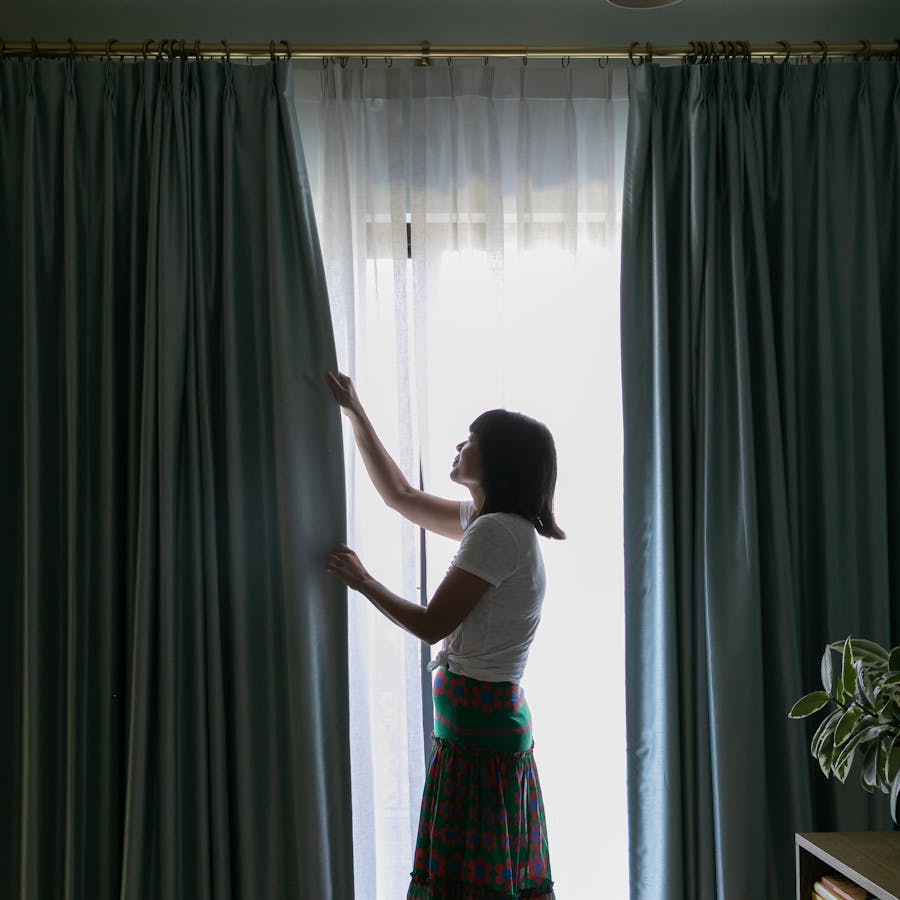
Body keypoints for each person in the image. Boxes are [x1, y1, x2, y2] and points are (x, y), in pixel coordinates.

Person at [324, 370, 563, 900]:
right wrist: (355, 411)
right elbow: (400, 496)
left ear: (498, 460)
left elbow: (433, 625)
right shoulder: (492, 523)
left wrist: (363, 582)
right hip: (477, 735)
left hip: (478, 741)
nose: (460, 445)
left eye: (472, 440)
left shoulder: (498, 532)